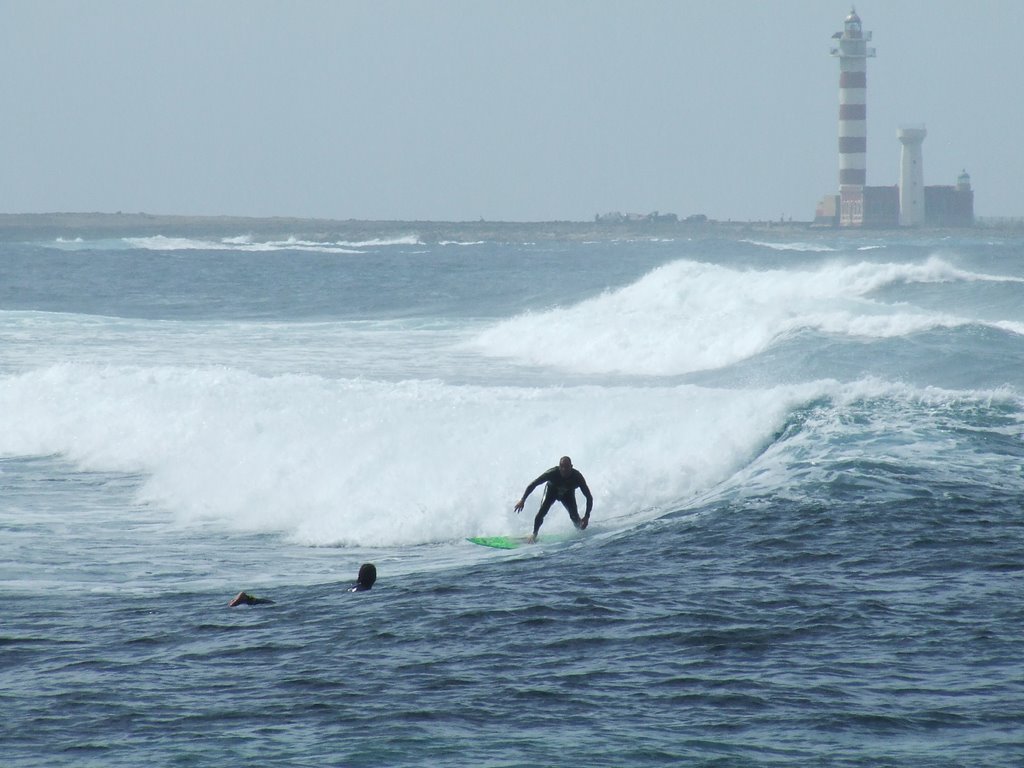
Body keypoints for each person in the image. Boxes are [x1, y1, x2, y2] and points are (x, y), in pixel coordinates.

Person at [513, 456, 593, 543]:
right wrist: (523, 500)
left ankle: (580, 531)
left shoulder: (577, 477)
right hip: (551, 492)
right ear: (559, 467)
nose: (564, 469)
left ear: (571, 466)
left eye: (567, 467)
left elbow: (589, 497)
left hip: (568, 495)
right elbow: (534, 484)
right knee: (541, 513)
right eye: (562, 467)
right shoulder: (552, 473)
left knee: (575, 518)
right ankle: (534, 534)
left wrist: (586, 516)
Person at [227, 563, 377, 605]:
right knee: (278, 605)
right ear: (374, 578)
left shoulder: (353, 587)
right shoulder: (363, 592)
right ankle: (248, 599)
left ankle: (250, 599)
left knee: (279, 604)